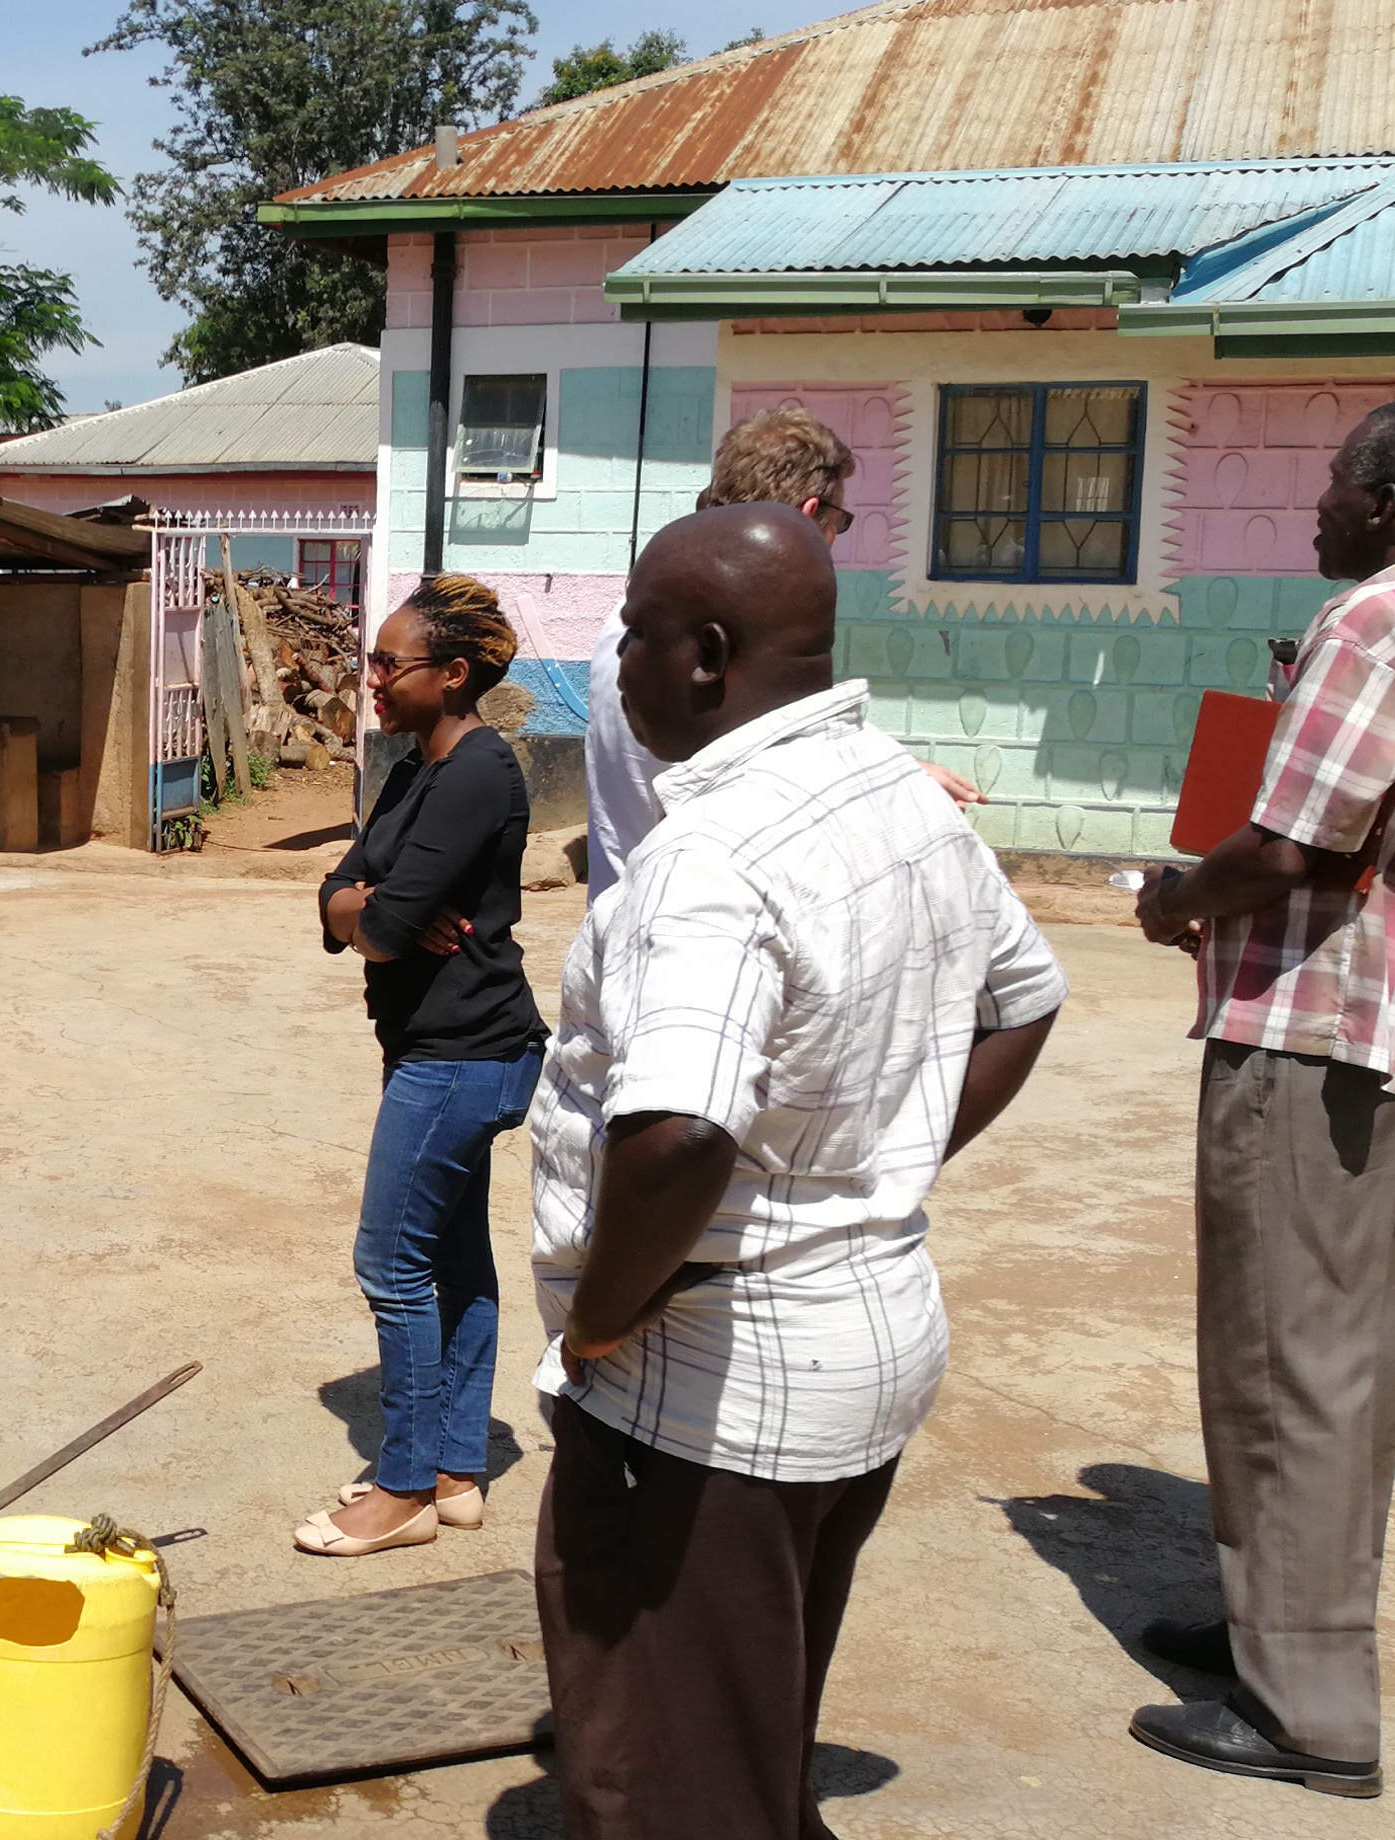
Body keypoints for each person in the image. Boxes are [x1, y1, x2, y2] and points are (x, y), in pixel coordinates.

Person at [529, 504, 1065, 1838]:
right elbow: (1024, 999)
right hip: (860, 1353)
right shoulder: (896, 791)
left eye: (634, 633)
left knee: (667, 1783)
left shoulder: (707, 860)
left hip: (709, 1397)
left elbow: (682, 1136)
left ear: (705, 656)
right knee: (747, 1723)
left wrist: (601, 1319)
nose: (619, 659)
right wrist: (862, 1179)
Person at [1127, 399, 1395, 1799]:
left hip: (1311, 1039)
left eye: (1328, 480)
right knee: (1336, 1358)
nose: (1315, 503)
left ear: (1378, 498)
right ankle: (1274, 1629)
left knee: (1282, 1360)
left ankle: (1309, 1711)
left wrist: (1178, 898)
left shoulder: (1376, 629)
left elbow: (1295, 842)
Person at [301, 575, 546, 1557]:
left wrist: (373, 906)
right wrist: (360, 902)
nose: (370, 678)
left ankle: (399, 1484)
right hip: (438, 1049)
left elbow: (389, 924)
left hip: (463, 1053)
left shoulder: (481, 771)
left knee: (389, 1260)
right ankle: (455, 1469)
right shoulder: (412, 771)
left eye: (387, 663)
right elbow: (339, 899)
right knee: (450, 1257)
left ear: (451, 673)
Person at [583, 405, 978, 899]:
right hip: (700, 927)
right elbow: (770, 781)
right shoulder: (723, 634)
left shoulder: (646, 611)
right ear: (813, 517)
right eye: (841, 523)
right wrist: (891, 782)